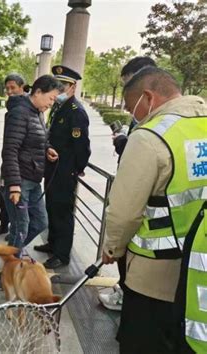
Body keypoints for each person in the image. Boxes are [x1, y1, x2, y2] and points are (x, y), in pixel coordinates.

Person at [102, 67, 206, 353]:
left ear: (147, 97)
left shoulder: (149, 137)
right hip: (199, 274)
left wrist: (112, 247)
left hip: (155, 278)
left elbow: (124, 212)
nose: (132, 115)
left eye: (130, 107)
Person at [98, 56, 157, 312]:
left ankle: (126, 295)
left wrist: (112, 245)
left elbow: (126, 207)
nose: (127, 102)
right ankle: (124, 290)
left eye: (128, 88)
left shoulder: (151, 129)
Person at [36, 65, 91, 269]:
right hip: (53, 169)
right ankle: (52, 243)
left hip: (65, 171)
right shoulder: (59, 108)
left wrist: (76, 169)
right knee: (52, 206)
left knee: (63, 211)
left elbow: (83, 147)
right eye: (57, 86)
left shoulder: (76, 112)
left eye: (63, 86)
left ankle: (62, 254)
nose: (59, 91)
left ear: (73, 87)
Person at [1, 75, 62, 253]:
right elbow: (10, 149)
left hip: (33, 179)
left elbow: (36, 139)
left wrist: (47, 149)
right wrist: (13, 185)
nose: (51, 103)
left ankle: (11, 253)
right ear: (38, 92)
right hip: (19, 181)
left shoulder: (38, 112)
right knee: (22, 226)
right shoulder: (19, 113)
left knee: (40, 222)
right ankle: (12, 265)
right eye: (51, 98)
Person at [0, 73, 29, 238]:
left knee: (13, 196)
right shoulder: (12, 106)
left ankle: (14, 230)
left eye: (13, 88)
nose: (10, 91)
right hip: (9, 160)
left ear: (22, 87)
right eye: (7, 88)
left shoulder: (24, 107)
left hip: (20, 162)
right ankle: (4, 224)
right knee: (2, 193)